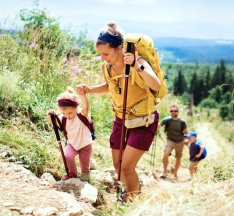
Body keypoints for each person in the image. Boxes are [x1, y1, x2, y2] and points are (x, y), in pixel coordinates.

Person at [77, 22, 161, 200]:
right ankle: (129, 193)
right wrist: (90, 90)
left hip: (143, 120)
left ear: (120, 48)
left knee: (127, 167)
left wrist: (137, 66)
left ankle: (134, 202)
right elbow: (111, 85)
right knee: (118, 165)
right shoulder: (107, 66)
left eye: (106, 53)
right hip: (120, 119)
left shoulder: (138, 62)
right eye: (100, 54)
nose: (103, 57)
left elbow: (155, 84)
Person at [47, 87, 93, 179]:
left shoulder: (82, 115)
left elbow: (86, 107)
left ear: (76, 108)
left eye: (70, 113)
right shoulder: (63, 118)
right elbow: (52, 123)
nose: (67, 116)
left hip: (85, 145)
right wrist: (49, 115)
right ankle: (72, 173)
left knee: (85, 168)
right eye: (64, 113)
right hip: (72, 144)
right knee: (67, 156)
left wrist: (83, 96)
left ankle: (86, 177)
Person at [158, 105, 188, 179]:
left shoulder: (182, 122)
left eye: (175, 111)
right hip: (170, 140)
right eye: (171, 111)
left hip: (180, 141)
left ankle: (175, 174)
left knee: (178, 158)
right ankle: (164, 172)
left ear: (178, 112)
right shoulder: (167, 120)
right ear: (170, 112)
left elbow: (186, 132)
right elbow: (158, 126)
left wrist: (188, 139)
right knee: (165, 154)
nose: (173, 112)